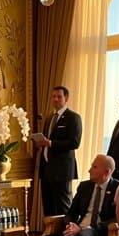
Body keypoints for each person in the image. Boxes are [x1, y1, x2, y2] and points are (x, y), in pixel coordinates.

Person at [40, 154, 119, 236]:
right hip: (78, 228)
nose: (89, 170)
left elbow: (117, 217)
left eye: (94, 167)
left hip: (98, 230)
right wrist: (71, 225)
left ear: (107, 172)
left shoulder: (117, 188)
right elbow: (71, 213)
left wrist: (88, 229)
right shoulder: (85, 186)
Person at [33, 85, 83, 217]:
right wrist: (40, 144)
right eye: (53, 96)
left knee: (63, 207)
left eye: (59, 96)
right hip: (47, 169)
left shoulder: (73, 118)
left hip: (62, 170)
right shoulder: (49, 118)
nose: (55, 99)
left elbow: (74, 142)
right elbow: (46, 140)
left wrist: (50, 143)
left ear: (66, 98)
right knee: (48, 207)